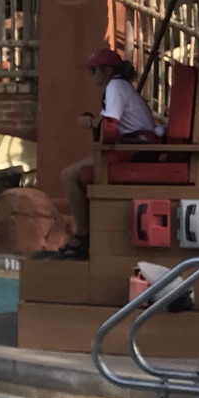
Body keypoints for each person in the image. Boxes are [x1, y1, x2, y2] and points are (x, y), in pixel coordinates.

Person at [54, 47, 164, 260]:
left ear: (106, 71)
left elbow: (109, 126)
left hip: (136, 149)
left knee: (68, 175)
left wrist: (90, 123)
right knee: (78, 170)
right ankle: (86, 232)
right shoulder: (122, 86)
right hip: (137, 146)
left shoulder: (114, 87)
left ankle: (83, 235)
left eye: (94, 70)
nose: (91, 75)